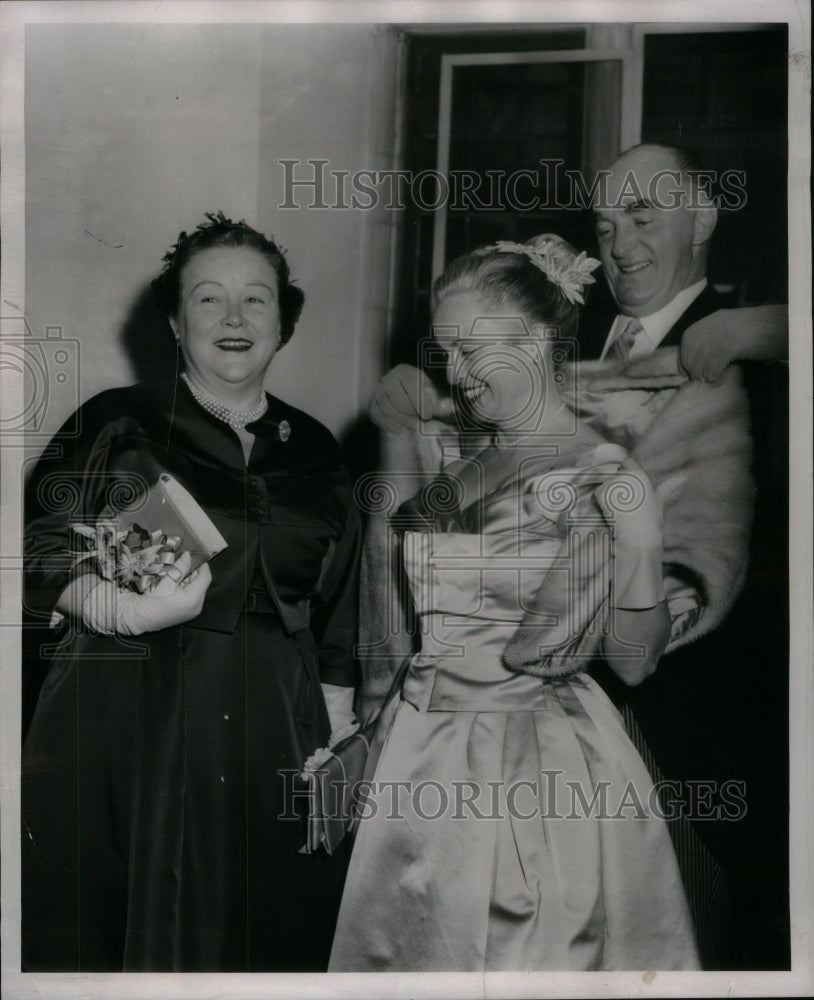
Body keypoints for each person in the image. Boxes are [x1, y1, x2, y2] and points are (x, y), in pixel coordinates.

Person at [329, 235, 701, 971]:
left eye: (473, 350)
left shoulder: (601, 473)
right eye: (447, 353)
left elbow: (632, 664)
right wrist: (373, 726)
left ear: (536, 342)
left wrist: (644, 542)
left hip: (529, 769)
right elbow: (412, 600)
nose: (458, 375)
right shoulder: (465, 460)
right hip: (421, 754)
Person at [21, 212, 360, 972]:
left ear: (284, 322)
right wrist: (115, 606)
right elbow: (34, 544)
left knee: (264, 928)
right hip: (130, 707)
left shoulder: (318, 448)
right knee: (129, 921)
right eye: (208, 299)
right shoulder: (118, 422)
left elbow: (341, 601)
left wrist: (338, 724)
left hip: (276, 718)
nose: (234, 318)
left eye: (257, 300)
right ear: (176, 322)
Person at [586, 143, 789, 969]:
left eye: (643, 216)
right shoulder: (561, 343)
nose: (620, 243)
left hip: (708, 731)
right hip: (573, 715)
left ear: (703, 218)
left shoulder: (765, 345)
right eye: (604, 225)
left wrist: (776, 326)